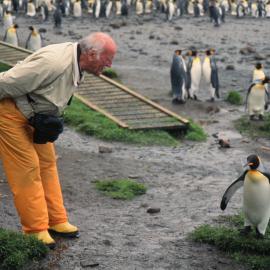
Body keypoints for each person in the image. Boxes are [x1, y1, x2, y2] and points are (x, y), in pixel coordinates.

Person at [0, 32, 117, 248]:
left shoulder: (77, 62)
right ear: (91, 54)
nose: (110, 65)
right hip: (9, 114)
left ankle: (56, 220)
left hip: (35, 118)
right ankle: (35, 230)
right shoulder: (53, 63)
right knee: (27, 168)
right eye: (108, 59)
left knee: (47, 163)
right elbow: (6, 82)